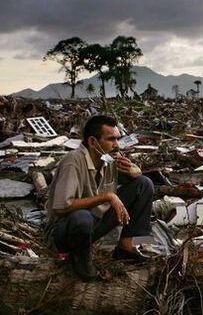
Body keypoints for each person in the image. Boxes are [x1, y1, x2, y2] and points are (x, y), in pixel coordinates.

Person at [45, 115, 154, 281]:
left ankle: (126, 247)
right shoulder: (73, 161)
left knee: (144, 184)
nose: (116, 145)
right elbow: (61, 208)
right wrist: (109, 196)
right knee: (82, 216)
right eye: (111, 139)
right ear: (92, 142)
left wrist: (134, 170)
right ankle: (81, 260)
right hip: (65, 232)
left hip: (93, 226)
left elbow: (137, 177)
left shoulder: (106, 158)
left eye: (118, 139)